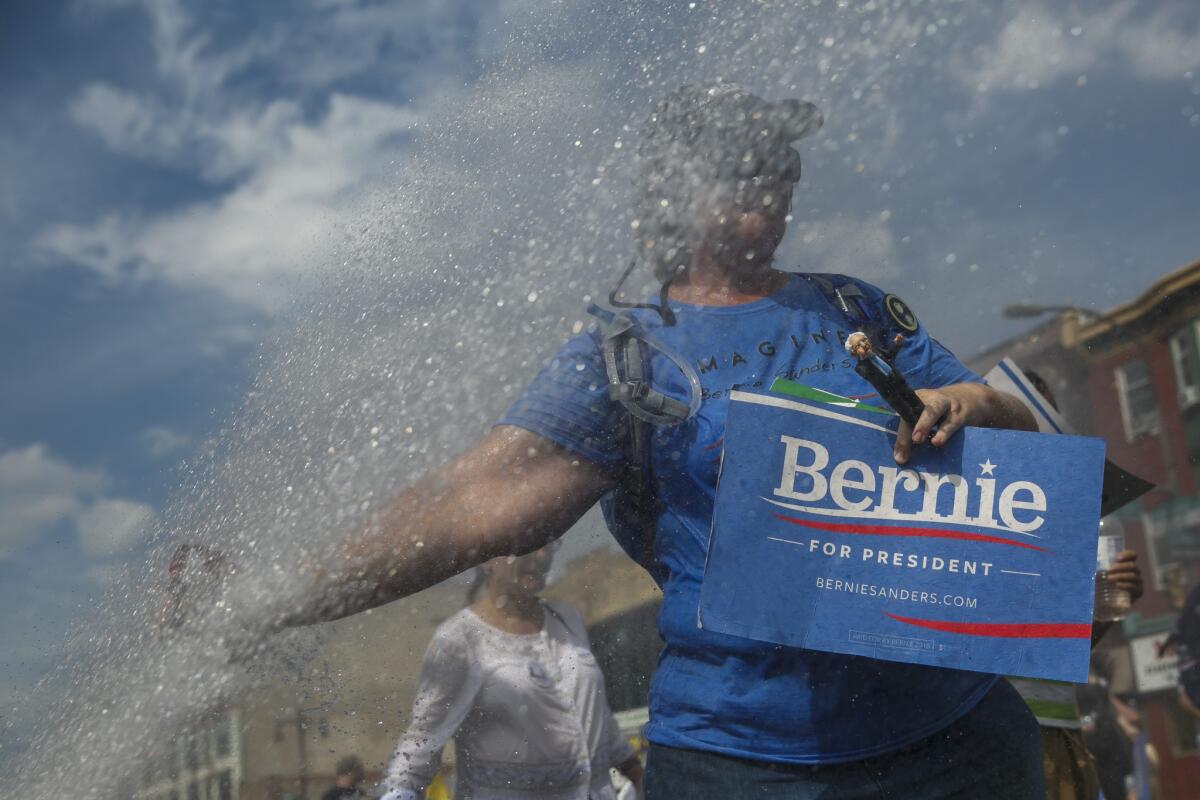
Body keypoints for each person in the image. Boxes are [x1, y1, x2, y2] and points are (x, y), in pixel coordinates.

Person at [258, 82, 1040, 798]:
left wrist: (963, 401)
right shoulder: (627, 357)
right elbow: (474, 502)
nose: (770, 179)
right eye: (742, 164)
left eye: (781, 163)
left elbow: (1016, 424)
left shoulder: (851, 307)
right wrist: (267, 598)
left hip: (958, 736)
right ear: (677, 187)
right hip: (746, 763)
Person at [379, 543, 642, 800]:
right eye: (526, 545)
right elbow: (423, 740)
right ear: (486, 558)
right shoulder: (459, 640)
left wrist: (635, 770)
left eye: (548, 543)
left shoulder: (566, 618)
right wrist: (400, 791)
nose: (541, 555)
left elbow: (595, 713)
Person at [1004, 370, 1145, 800]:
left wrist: (1104, 607)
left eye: (1052, 419)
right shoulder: (968, 515)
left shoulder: (1063, 523)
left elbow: (1063, 650)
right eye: (1032, 417)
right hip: (993, 734)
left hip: (1059, 730)